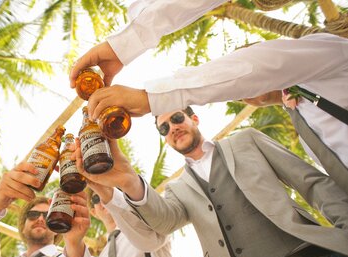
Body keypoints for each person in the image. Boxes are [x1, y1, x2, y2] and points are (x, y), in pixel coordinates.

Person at [68, 0, 348, 194]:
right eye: (163, 126)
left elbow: (257, 66)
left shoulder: (330, 52)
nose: (243, 93)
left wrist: (150, 97)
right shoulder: (301, 111)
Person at [74, 106, 348, 257]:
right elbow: (164, 222)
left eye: (177, 118)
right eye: (164, 128)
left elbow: (310, 182)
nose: (173, 128)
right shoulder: (178, 188)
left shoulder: (247, 140)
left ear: (194, 118)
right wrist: (129, 181)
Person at [0, 163, 99, 257]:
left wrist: (74, 243)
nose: (40, 219)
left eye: (47, 216)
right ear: (23, 225)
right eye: (33, 215)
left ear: (56, 231)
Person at [87, 190, 184, 257]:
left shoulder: (146, 227)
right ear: (93, 212)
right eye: (96, 198)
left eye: (108, 189)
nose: (103, 197)